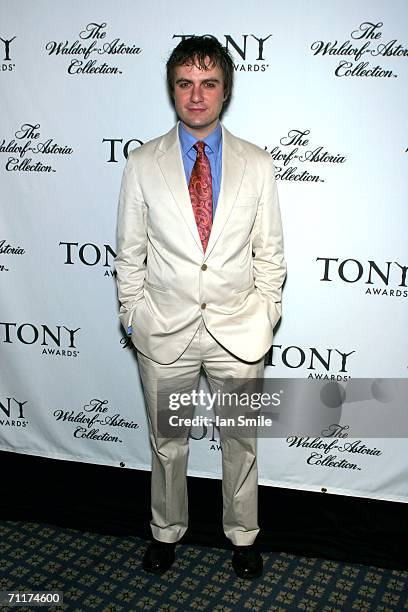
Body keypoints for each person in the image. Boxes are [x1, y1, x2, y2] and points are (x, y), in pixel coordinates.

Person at [115, 35, 286, 579]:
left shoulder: (258, 164)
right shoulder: (143, 163)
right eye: (186, 84)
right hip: (165, 331)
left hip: (240, 332)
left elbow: (271, 253)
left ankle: (243, 536)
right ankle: (165, 531)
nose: (196, 95)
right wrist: (134, 315)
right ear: (172, 90)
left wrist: (265, 314)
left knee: (242, 441)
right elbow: (129, 252)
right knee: (168, 444)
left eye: (208, 83)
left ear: (225, 91)